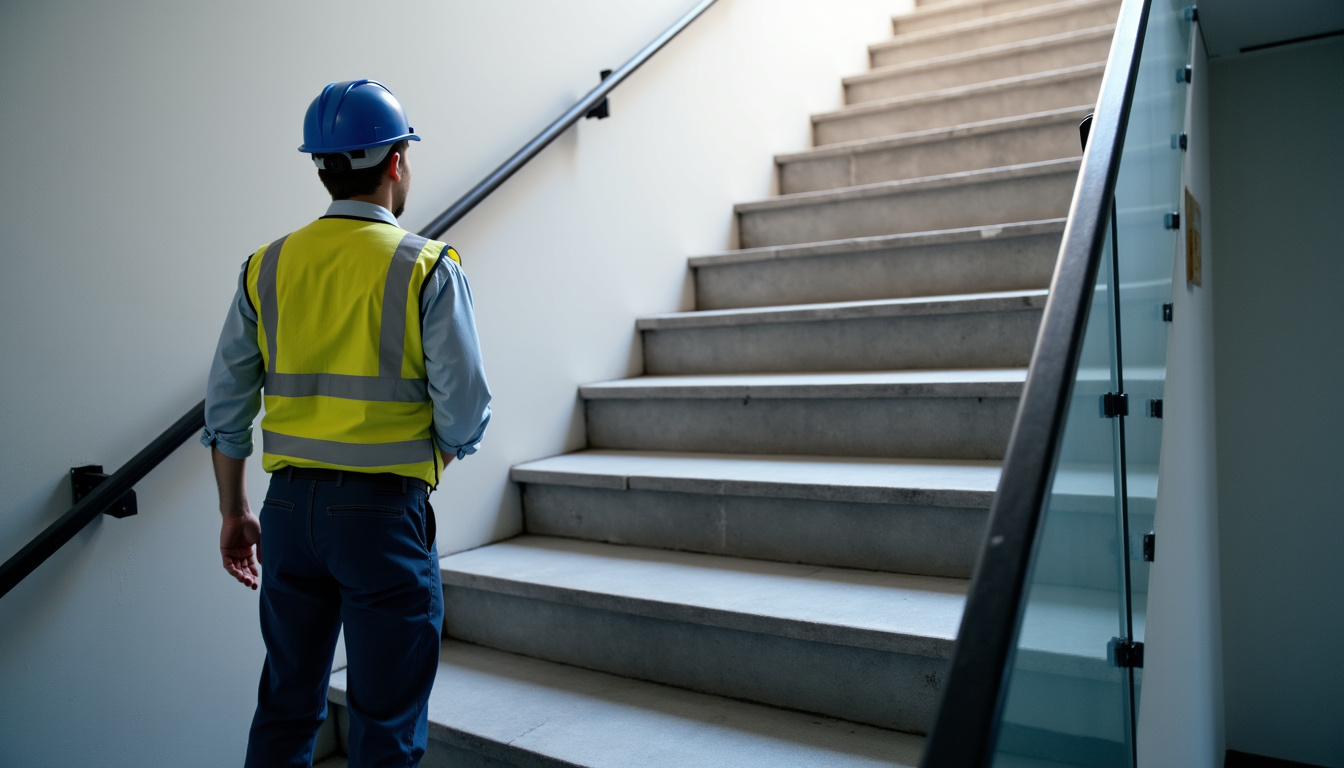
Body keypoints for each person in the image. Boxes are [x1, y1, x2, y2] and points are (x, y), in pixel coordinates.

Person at [201, 79, 492, 767]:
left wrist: (233, 511)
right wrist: (431, 465)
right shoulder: (426, 266)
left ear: (323, 166)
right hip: (382, 516)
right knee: (385, 723)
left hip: (288, 513)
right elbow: (466, 409)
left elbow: (225, 410)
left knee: (286, 705)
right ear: (396, 163)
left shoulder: (265, 267)